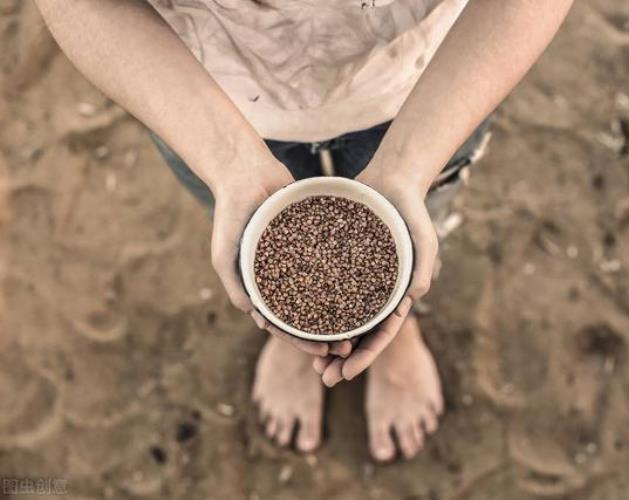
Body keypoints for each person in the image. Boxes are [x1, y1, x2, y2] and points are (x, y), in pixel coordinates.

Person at [35, 0, 573, 461]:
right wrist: (228, 164)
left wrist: (411, 164)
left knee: (417, 218)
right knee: (242, 223)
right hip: (200, 93)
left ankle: (396, 325)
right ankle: (298, 342)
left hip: (429, 77)